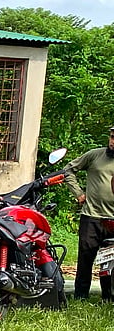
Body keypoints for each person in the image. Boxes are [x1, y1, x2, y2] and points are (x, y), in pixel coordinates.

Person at [62, 125, 114, 302]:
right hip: (92, 216)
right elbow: (68, 170)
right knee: (86, 257)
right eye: (112, 137)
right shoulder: (95, 155)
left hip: (113, 219)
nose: (113, 142)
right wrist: (78, 193)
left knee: (110, 261)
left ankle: (108, 297)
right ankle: (81, 296)